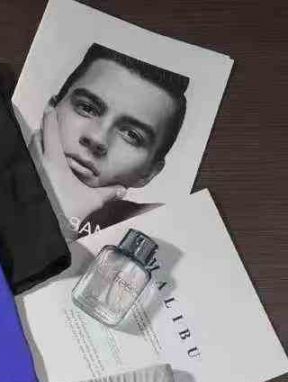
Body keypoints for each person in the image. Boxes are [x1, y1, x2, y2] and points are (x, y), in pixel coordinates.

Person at [31, 43, 189, 239]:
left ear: (149, 172)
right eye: (87, 108)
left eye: (132, 135)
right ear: (51, 110)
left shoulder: (154, 228)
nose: (97, 139)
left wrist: (60, 217)